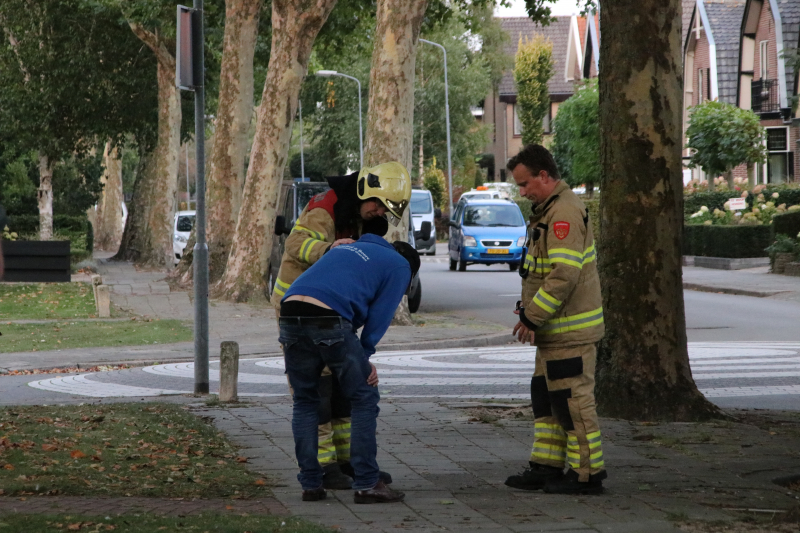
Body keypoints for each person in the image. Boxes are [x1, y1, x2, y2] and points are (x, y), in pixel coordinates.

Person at [272, 162, 412, 489]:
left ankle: (347, 460)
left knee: (341, 388)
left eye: (386, 210)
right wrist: (326, 249)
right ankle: (324, 468)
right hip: (298, 305)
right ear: (364, 191)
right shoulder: (326, 208)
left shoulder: (361, 216)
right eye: (378, 205)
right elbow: (295, 244)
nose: (379, 213)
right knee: (317, 389)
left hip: (331, 312)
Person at [279, 232, 420, 503]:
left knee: (306, 401)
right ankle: (367, 483)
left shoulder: (351, 247)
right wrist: (364, 357)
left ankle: (311, 484)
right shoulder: (399, 265)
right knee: (364, 396)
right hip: (329, 317)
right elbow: (379, 318)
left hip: (290, 311)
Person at [504, 144, 607, 495]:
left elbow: (564, 274)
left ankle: (587, 474)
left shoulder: (563, 213)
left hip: (568, 332)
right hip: (554, 332)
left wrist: (531, 317)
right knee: (547, 401)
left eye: (524, 184)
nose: (522, 192)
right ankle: (546, 466)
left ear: (544, 176)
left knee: (573, 403)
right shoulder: (548, 211)